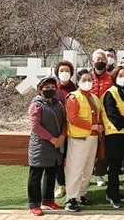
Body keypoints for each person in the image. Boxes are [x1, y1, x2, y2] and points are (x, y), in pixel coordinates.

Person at [64, 69, 103, 212]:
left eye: (89, 80)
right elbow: (73, 119)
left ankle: (81, 194)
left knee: (87, 168)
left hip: (93, 138)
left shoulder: (95, 98)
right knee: (75, 169)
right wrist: (91, 126)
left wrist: (99, 127)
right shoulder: (73, 97)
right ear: (78, 82)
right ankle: (70, 198)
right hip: (79, 138)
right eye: (84, 80)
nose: (87, 82)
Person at [27, 77, 66, 216]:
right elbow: (35, 125)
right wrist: (51, 138)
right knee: (35, 175)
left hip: (55, 145)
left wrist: (62, 136)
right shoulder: (36, 105)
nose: (50, 89)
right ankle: (34, 204)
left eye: (52, 87)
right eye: (46, 87)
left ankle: (48, 200)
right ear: (40, 89)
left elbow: (64, 122)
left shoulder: (59, 104)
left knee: (51, 174)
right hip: (41, 145)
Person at [101, 66, 124, 208]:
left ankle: (112, 192)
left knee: (118, 164)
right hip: (114, 134)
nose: (123, 78)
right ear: (114, 77)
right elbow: (112, 114)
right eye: (120, 75)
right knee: (114, 167)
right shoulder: (110, 93)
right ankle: (113, 197)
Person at [90, 49, 114, 187]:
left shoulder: (111, 78)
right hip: (89, 119)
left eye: (103, 60)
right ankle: (85, 174)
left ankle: (99, 174)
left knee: (103, 149)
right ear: (92, 61)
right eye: (97, 59)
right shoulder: (86, 77)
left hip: (106, 118)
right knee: (88, 147)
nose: (100, 62)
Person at [53, 60, 76, 199]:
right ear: (57, 73)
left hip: (74, 130)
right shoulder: (53, 89)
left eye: (67, 71)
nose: (64, 73)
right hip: (58, 130)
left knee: (72, 158)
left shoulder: (76, 88)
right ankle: (61, 184)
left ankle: (72, 184)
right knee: (59, 158)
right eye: (61, 71)